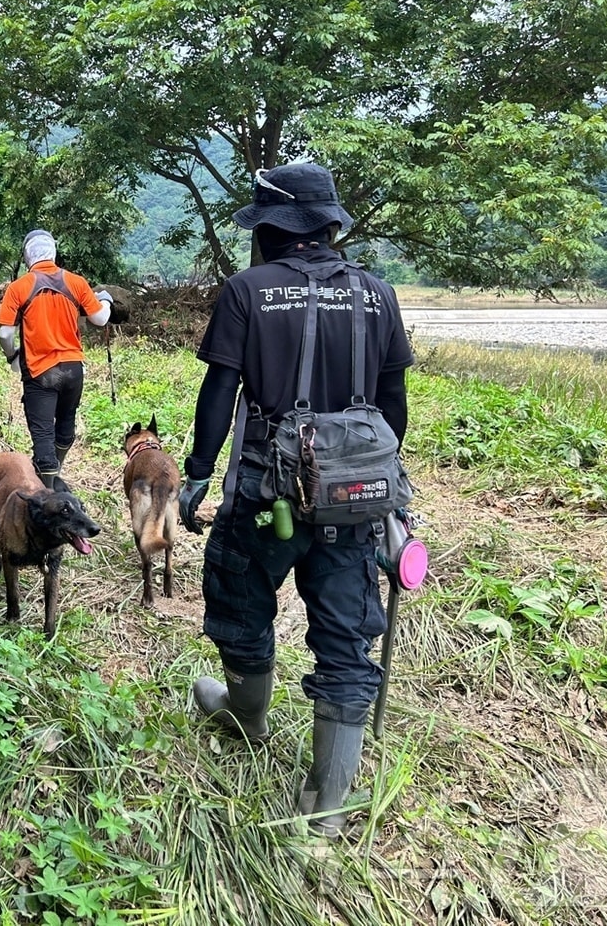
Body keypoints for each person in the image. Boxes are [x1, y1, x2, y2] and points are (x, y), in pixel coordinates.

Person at [177, 161, 414, 838]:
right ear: (327, 224)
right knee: (347, 637)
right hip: (355, 500)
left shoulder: (247, 292)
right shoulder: (378, 295)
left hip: (267, 496)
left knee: (240, 594)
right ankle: (327, 807)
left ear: (273, 227)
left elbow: (219, 393)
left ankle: (245, 713)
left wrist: (197, 471)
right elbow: (393, 405)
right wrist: (377, 483)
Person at [0, 229, 114, 490]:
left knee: (42, 435)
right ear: (53, 253)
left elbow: (5, 333)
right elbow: (100, 319)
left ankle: (46, 489)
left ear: (28, 258)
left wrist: (12, 356)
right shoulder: (76, 282)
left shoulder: (19, 287)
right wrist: (105, 300)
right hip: (73, 370)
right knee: (65, 426)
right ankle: (55, 472)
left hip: (40, 373)